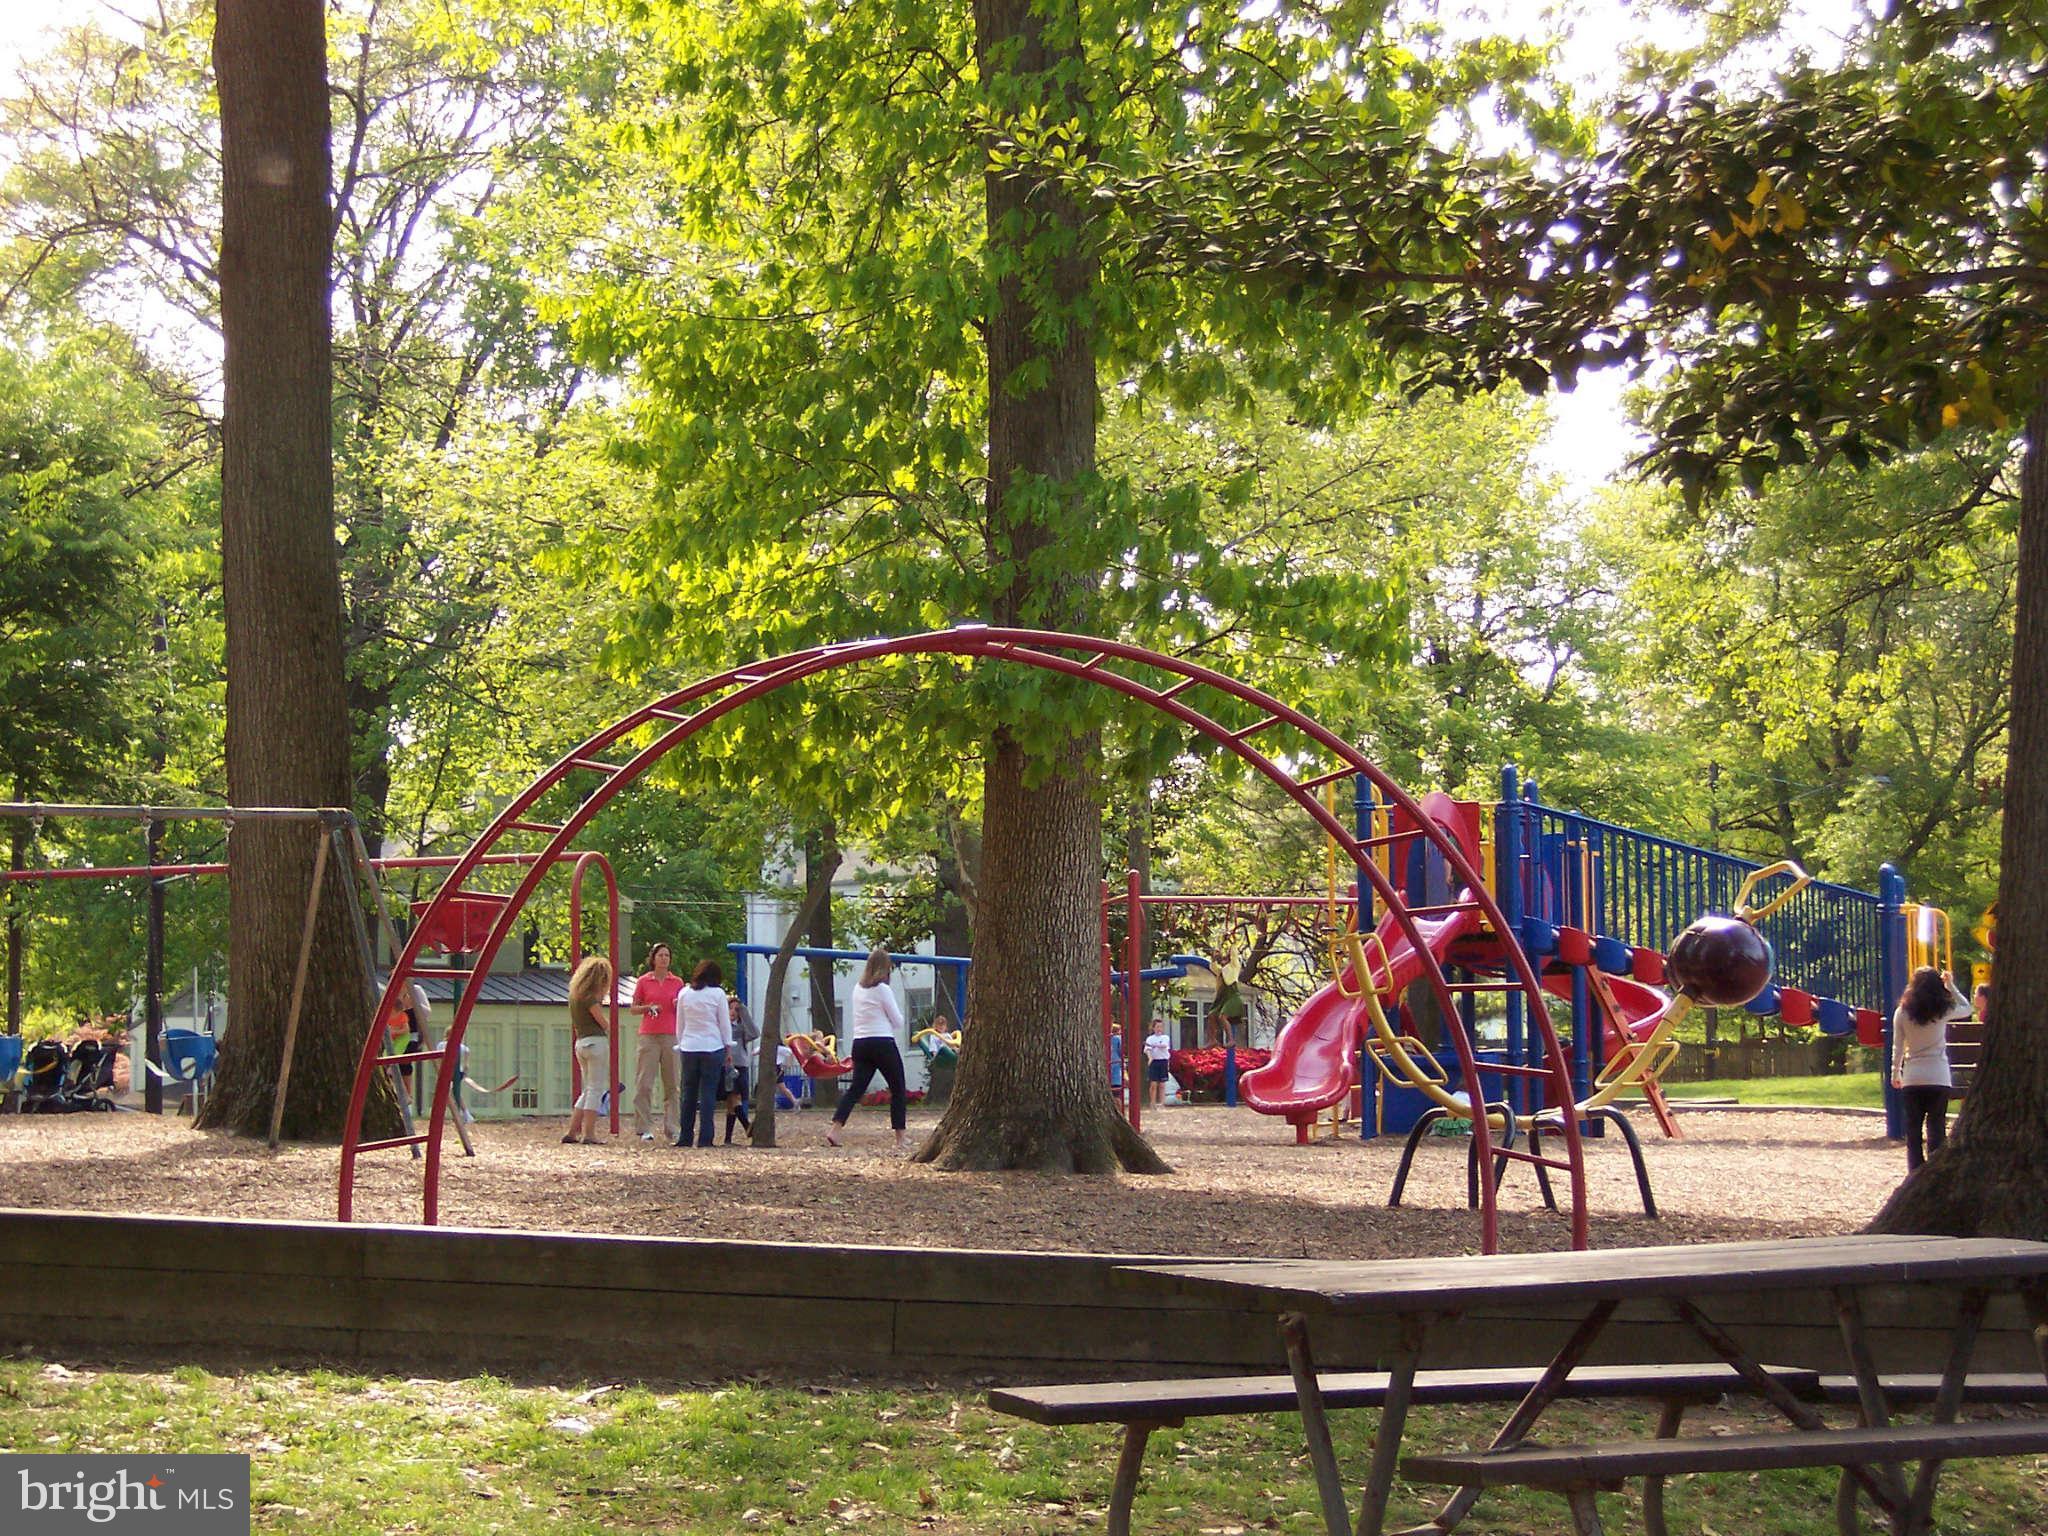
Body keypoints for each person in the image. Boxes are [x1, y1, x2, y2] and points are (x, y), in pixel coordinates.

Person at [826, 947, 909, 1151]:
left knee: (856, 1088)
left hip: (860, 1043)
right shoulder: (883, 989)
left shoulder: (858, 988)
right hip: (882, 1042)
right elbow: (898, 1021)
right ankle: (901, 1138)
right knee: (898, 1088)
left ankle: (835, 1129)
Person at [1890, 965, 1967, 1172]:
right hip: (1938, 1076)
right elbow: (1968, 1008)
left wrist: (1895, 1071)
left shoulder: (1902, 1012)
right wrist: (1951, 986)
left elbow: (1898, 1046)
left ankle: (1915, 1172)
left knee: (1913, 1130)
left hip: (1913, 1077)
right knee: (1936, 1128)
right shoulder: (1942, 1010)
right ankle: (1935, 1171)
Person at [673, 959, 732, 1148]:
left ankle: (685, 1136)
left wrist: (681, 1042)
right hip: (712, 1046)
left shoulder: (684, 993)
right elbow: (724, 1023)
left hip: (689, 1046)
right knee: (708, 1094)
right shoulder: (718, 994)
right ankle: (706, 1138)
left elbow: (680, 1023)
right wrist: (727, 1046)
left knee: (688, 1094)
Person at [630, 942, 683, 1143]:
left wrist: (679, 1005)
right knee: (644, 1083)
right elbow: (633, 1008)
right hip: (649, 1035)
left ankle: (672, 1128)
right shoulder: (644, 981)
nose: (663, 959)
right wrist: (648, 1007)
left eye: (667, 956)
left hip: (670, 1034)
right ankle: (644, 1127)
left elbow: (681, 1007)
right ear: (653, 958)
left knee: (672, 1084)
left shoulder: (676, 982)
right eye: (660, 955)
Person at [564, 955, 615, 1145]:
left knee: (587, 1089)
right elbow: (602, 1022)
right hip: (596, 1042)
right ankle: (589, 1133)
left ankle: (572, 1131)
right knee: (596, 1089)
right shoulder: (590, 998)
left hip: (581, 1042)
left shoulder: (575, 996)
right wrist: (608, 1025)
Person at [724, 994, 759, 1144]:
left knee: (733, 1102)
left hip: (741, 1064)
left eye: (736, 1009)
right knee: (733, 1097)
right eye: (730, 1008)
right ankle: (746, 1125)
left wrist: (743, 1010)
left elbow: (755, 1033)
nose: (733, 1012)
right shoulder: (723, 1026)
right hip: (728, 1065)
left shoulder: (742, 1028)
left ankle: (728, 1138)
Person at [1144, 1016, 1173, 1107]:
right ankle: (1152, 1102)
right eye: (1157, 1027)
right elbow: (1147, 1049)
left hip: (1163, 1061)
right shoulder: (1150, 1038)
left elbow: (1164, 1045)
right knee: (1153, 1084)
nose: (1159, 1029)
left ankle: (1162, 1103)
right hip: (1154, 1062)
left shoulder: (1165, 1037)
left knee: (1162, 1084)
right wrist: (1150, 1058)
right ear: (1153, 1028)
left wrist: (1153, 1045)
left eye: (1161, 1027)